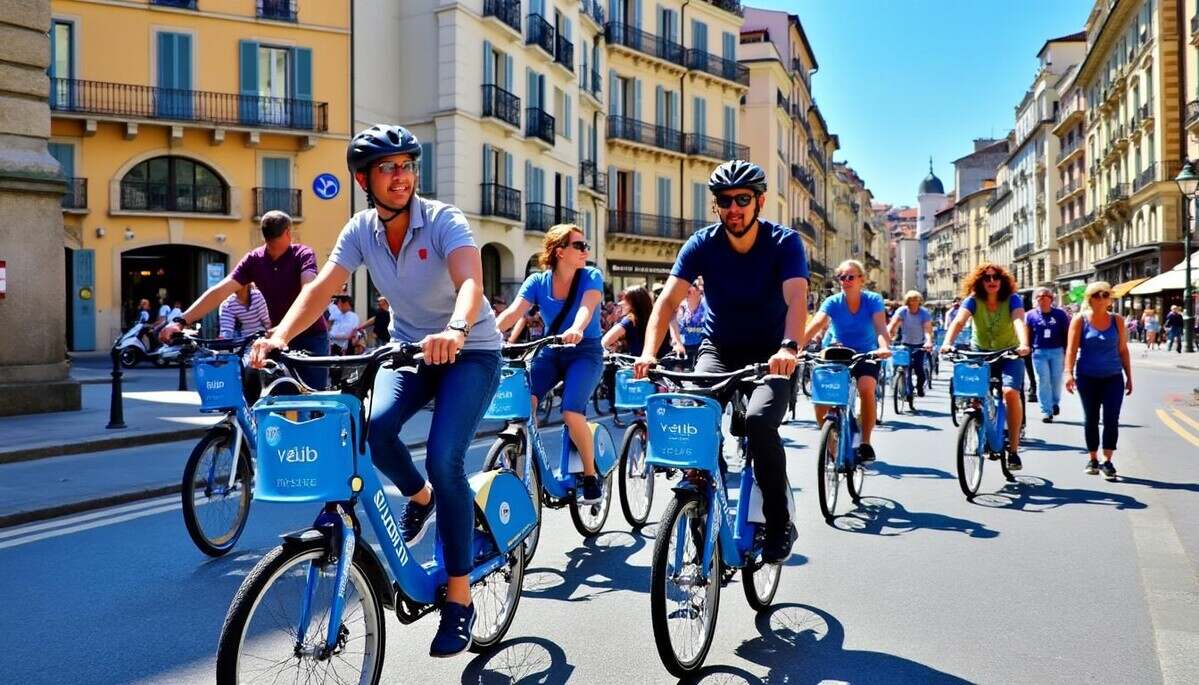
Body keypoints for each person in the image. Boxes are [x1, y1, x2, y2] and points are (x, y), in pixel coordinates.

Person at [250, 125, 502, 657]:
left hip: (470, 350)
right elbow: (322, 288)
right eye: (387, 168)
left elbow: (470, 282)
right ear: (364, 180)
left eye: (406, 165)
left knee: (445, 458)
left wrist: (457, 329)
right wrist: (278, 337)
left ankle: (459, 598)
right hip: (409, 350)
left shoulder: (443, 220)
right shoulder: (361, 230)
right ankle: (422, 498)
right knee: (376, 431)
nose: (400, 176)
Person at [633, 159, 809, 563]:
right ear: (715, 205)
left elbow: (797, 297)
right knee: (698, 416)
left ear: (760, 201)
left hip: (772, 355)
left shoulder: (784, 243)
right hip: (719, 349)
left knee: (760, 422)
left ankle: (779, 522)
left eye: (742, 199)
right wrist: (648, 352)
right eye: (724, 201)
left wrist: (788, 348)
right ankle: (701, 500)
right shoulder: (702, 244)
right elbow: (667, 301)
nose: (733, 208)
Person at [495, 225, 606, 503]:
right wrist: (485, 334)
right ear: (560, 252)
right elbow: (513, 313)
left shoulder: (591, 276)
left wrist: (577, 329)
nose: (586, 250)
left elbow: (586, 308)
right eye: (579, 246)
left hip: (585, 352)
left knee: (571, 412)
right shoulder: (537, 282)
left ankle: (590, 475)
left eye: (585, 245)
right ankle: (526, 455)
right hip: (551, 351)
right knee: (524, 403)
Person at [160, 210, 329, 389]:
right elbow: (309, 289)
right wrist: (181, 321)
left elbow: (219, 291)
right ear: (288, 232)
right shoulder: (268, 258)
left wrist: (180, 321)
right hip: (278, 338)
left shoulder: (295, 255)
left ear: (263, 234)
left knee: (310, 398)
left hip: (308, 335)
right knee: (278, 397)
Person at [940, 263, 1031, 470]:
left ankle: (1013, 449)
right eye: (986, 278)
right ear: (979, 282)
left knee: (1010, 393)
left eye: (995, 277)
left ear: (1002, 280)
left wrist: (1024, 344)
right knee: (976, 394)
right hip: (980, 352)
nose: (991, 281)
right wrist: (947, 343)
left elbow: (1019, 321)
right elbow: (959, 322)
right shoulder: (973, 300)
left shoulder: (1012, 299)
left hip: (1009, 353)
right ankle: (980, 425)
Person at [804, 260, 891, 460]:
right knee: (822, 397)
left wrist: (883, 347)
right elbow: (816, 324)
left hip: (866, 353)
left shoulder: (873, 300)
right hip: (837, 353)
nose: (846, 281)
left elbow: (880, 328)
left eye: (851, 277)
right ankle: (830, 443)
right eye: (842, 277)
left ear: (862, 279)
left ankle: (865, 442)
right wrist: (795, 348)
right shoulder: (832, 302)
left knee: (866, 387)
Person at [1064, 282, 1132, 480]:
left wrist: (1129, 377)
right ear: (1089, 298)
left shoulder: (1117, 320)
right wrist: (1068, 373)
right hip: (1087, 377)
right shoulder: (1080, 320)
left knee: (1111, 419)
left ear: (1110, 299)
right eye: (1097, 295)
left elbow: (1123, 350)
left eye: (1105, 295)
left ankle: (1107, 461)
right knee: (1091, 418)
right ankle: (1093, 458)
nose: (1102, 298)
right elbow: (1071, 349)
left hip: (1113, 377)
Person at [1024, 287, 1070, 422]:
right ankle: (1046, 410)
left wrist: (1068, 351)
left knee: (1056, 380)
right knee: (1043, 380)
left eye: (1045, 296)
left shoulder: (1060, 314)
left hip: (1057, 351)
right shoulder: (1030, 315)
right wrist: (1027, 347)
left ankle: (1054, 402)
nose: (1042, 299)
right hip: (1039, 352)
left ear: (1051, 299)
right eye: (1039, 297)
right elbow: (1027, 334)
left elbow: (1067, 333)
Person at [886, 290, 932, 396]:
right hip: (905, 344)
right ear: (907, 301)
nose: (914, 302)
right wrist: (888, 337)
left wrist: (928, 341)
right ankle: (908, 391)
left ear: (919, 301)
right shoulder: (902, 311)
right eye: (911, 300)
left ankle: (919, 386)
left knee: (919, 369)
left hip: (920, 345)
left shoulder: (924, 313)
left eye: (916, 300)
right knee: (907, 367)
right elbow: (893, 325)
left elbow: (927, 330)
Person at [676, 281, 708, 365]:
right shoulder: (681, 306)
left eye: (693, 285)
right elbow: (678, 328)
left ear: (699, 291)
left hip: (702, 348)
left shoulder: (706, 304)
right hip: (684, 348)